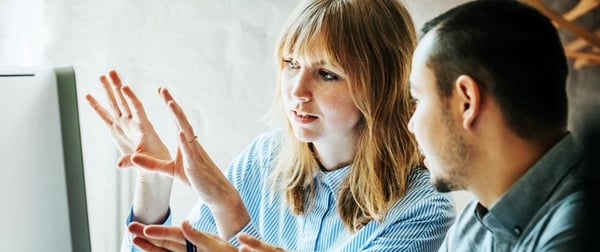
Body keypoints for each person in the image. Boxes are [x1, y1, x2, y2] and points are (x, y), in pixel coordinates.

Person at [86, 0, 455, 251]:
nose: (297, 91)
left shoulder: (422, 207)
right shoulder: (264, 158)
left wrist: (229, 208)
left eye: (326, 74)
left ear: (383, 85)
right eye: (291, 64)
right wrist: (154, 182)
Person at [407, 0, 585, 251]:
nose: (411, 125)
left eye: (417, 99)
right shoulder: (474, 221)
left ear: (466, 102)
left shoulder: (579, 231)